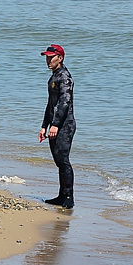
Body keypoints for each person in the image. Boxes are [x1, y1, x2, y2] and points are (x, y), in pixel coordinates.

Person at [40, 44, 76, 208]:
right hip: (54, 125)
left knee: (63, 160)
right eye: (46, 57)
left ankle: (69, 197)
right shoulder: (54, 76)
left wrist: (55, 125)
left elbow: (64, 103)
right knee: (58, 160)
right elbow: (50, 104)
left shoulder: (65, 77)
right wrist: (44, 126)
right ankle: (61, 195)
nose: (48, 60)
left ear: (60, 58)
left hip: (65, 125)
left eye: (51, 57)